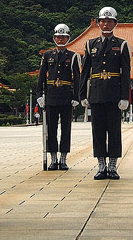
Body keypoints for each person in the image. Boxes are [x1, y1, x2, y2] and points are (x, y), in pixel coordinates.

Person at [79, 6, 131, 180]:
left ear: (115, 23)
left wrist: (125, 97)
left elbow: (126, 73)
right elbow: (84, 71)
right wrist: (82, 95)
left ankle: (113, 166)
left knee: (114, 131)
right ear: (99, 23)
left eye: (109, 21)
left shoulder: (122, 45)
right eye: (103, 21)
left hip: (114, 93)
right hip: (96, 93)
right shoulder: (90, 44)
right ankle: (101, 165)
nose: (106, 24)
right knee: (98, 130)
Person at [37, 23, 81, 170]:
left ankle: (63, 158)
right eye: (58, 37)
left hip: (66, 95)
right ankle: (53, 158)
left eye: (63, 37)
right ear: (54, 38)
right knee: (51, 129)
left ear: (68, 38)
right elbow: (41, 76)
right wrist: (39, 94)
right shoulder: (47, 55)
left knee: (66, 129)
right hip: (51, 95)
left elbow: (77, 78)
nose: (60, 39)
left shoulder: (73, 56)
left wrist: (76, 96)